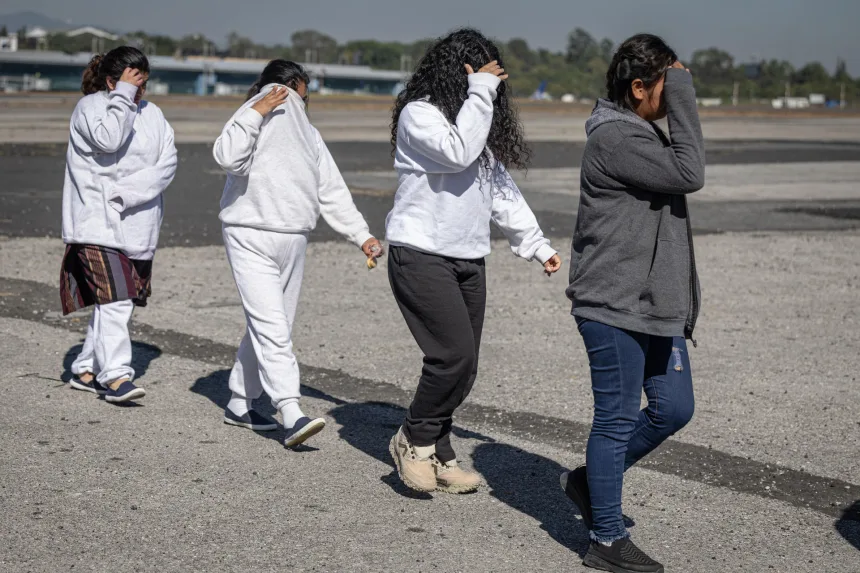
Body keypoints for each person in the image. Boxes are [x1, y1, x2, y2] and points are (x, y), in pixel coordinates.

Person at [385, 29, 562, 494]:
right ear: (457, 72)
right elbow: (456, 153)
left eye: (495, 78)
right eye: (482, 74)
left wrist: (536, 244)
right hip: (420, 253)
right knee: (451, 357)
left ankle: (439, 452)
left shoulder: (474, 124)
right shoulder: (419, 114)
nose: (491, 84)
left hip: (468, 258)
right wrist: (481, 92)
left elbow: (501, 192)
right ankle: (413, 439)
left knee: (465, 366)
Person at [561, 34, 705, 573]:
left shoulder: (641, 133)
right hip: (612, 303)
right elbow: (691, 172)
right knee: (616, 419)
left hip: (651, 304)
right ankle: (605, 540)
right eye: (671, 84)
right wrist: (684, 91)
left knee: (674, 408)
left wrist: (677, 86)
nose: (678, 93)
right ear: (638, 87)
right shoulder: (615, 137)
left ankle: (588, 481)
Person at [213, 60, 384, 448]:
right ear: (290, 84)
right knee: (272, 323)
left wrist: (361, 235)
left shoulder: (308, 132)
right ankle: (290, 410)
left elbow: (330, 188)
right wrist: (256, 112)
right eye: (301, 92)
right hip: (249, 231)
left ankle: (239, 402)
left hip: (293, 235)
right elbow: (227, 156)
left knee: (273, 322)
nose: (301, 101)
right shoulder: (253, 110)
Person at [61, 46, 177, 404]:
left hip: (140, 225)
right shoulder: (90, 108)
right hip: (96, 222)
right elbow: (109, 139)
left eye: (143, 84)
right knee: (116, 300)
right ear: (112, 82)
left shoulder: (153, 113)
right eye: (132, 83)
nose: (139, 91)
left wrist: (126, 193)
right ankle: (116, 376)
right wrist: (122, 97)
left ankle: (85, 369)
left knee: (112, 301)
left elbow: (168, 162)